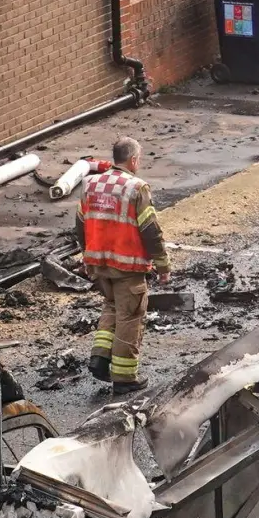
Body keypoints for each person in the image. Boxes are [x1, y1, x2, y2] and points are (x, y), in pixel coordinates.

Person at [75, 136, 170, 393]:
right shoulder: (136, 188)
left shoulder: (90, 184)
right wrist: (163, 266)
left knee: (112, 306)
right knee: (130, 316)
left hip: (98, 263)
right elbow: (150, 230)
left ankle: (100, 357)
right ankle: (125, 378)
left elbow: (81, 226)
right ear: (134, 160)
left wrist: (87, 258)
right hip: (127, 267)